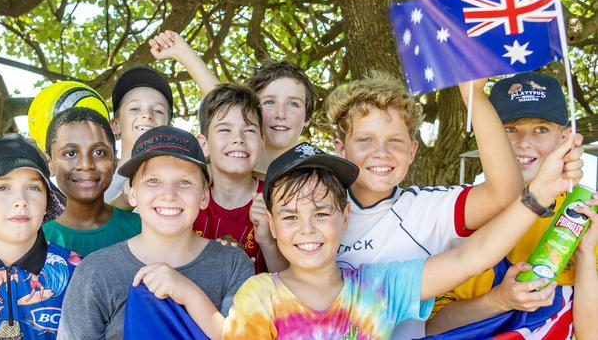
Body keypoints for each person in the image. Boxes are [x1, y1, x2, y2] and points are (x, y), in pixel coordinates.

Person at [139, 138, 583, 339]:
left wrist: (540, 192)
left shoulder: (381, 287)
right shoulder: (261, 296)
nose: (308, 229)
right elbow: (224, 335)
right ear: (272, 225)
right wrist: (188, 293)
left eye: (322, 212)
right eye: (290, 216)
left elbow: (474, 256)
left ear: (345, 217)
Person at [324, 72, 524, 339]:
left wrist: (473, 96)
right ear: (340, 149)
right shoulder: (317, 209)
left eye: (395, 140)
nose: (381, 152)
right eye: (364, 140)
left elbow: (505, 193)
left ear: (413, 150)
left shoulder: (426, 209)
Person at [426, 72, 598, 339]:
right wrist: (500, 300)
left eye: (541, 129)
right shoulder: (464, 214)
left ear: (565, 137)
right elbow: (431, 329)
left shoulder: (582, 216)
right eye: (509, 129)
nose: (523, 143)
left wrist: (586, 257)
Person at [57, 126, 253, 340]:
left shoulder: (232, 264)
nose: (169, 195)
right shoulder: (96, 272)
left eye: (184, 182)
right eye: (153, 181)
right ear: (132, 194)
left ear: (204, 196)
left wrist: (188, 293)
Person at [0, 134, 79, 339]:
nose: (21, 201)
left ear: (47, 200)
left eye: (33, 187)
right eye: (2, 187)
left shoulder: (77, 272)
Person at [149, 31, 316, 176]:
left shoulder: (319, 171)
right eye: (269, 102)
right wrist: (183, 53)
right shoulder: (227, 162)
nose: (280, 114)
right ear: (252, 110)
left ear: (308, 117)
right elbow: (223, 102)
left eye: (293, 104)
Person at [194, 83, 286, 273]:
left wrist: (267, 241)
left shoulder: (278, 199)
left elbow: (290, 282)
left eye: (249, 131)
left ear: (261, 142)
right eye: (225, 130)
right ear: (204, 144)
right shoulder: (189, 199)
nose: (238, 139)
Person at [42, 107, 141, 256]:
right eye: (71, 153)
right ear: (50, 163)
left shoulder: (143, 229)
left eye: (99, 152)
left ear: (114, 160)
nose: (86, 165)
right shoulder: (35, 238)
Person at [106, 65, 174, 206]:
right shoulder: (97, 182)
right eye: (135, 108)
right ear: (115, 125)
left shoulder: (181, 180)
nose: (147, 115)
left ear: (169, 128)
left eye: (158, 111)